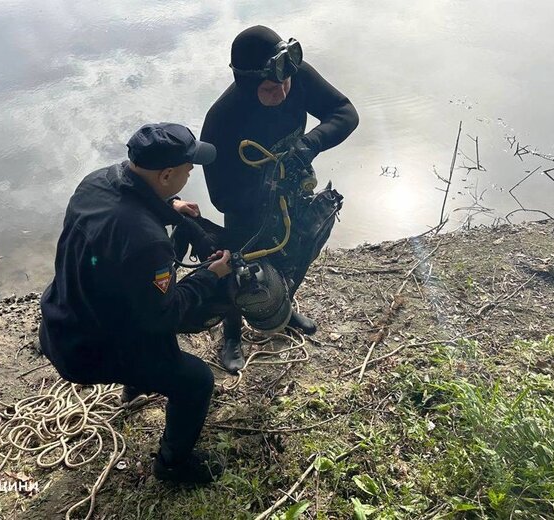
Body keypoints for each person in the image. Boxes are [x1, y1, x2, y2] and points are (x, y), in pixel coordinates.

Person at [38, 123, 231, 484]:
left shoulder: (96, 181)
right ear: (167, 174)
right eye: (189, 167)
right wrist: (212, 274)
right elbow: (168, 313)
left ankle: (139, 381)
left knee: (152, 332)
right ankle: (172, 467)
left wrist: (171, 207)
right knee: (197, 381)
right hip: (89, 350)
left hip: (62, 318)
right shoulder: (146, 242)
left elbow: (126, 208)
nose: (192, 172)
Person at [202, 25, 359, 372]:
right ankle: (231, 336)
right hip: (245, 204)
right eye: (272, 88)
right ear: (248, 84)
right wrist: (265, 188)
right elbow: (220, 198)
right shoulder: (222, 120)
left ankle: (283, 312)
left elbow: (345, 112)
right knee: (239, 266)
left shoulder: (294, 75)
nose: (283, 92)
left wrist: (310, 144)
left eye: (286, 84)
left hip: (293, 189)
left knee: (297, 253)